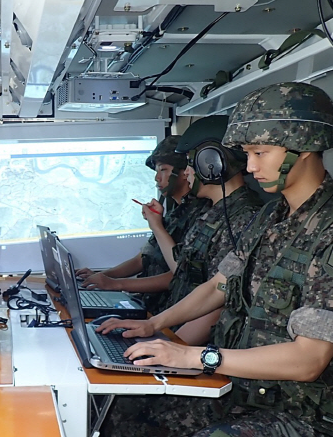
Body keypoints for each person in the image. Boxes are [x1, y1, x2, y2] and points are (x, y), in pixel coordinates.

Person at [98, 82, 333, 437]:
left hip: (303, 412)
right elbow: (219, 286)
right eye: (246, 154)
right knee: (123, 406)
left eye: (260, 153)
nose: (251, 166)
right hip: (242, 389)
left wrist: (197, 357)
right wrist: (152, 325)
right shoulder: (271, 216)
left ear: (304, 146)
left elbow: (309, 360)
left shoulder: (328, 229)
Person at [147, 116, 262, 344]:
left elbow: (219, 299)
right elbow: (183, 271)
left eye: (191, 164)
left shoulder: (245, 217)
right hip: (176, 330)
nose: (186, 172)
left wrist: (173, 347)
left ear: (213, 164)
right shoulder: (211, 212)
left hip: (195, 345)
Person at [78, 135, 210, 314]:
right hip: (149, 305)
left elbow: (178, 274)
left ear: (184, 171)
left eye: (163, 170)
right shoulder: (174, 213)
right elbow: (141, 259)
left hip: (168, 311)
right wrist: (102, 276)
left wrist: (115, 284)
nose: (157, 178)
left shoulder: (203, 214)